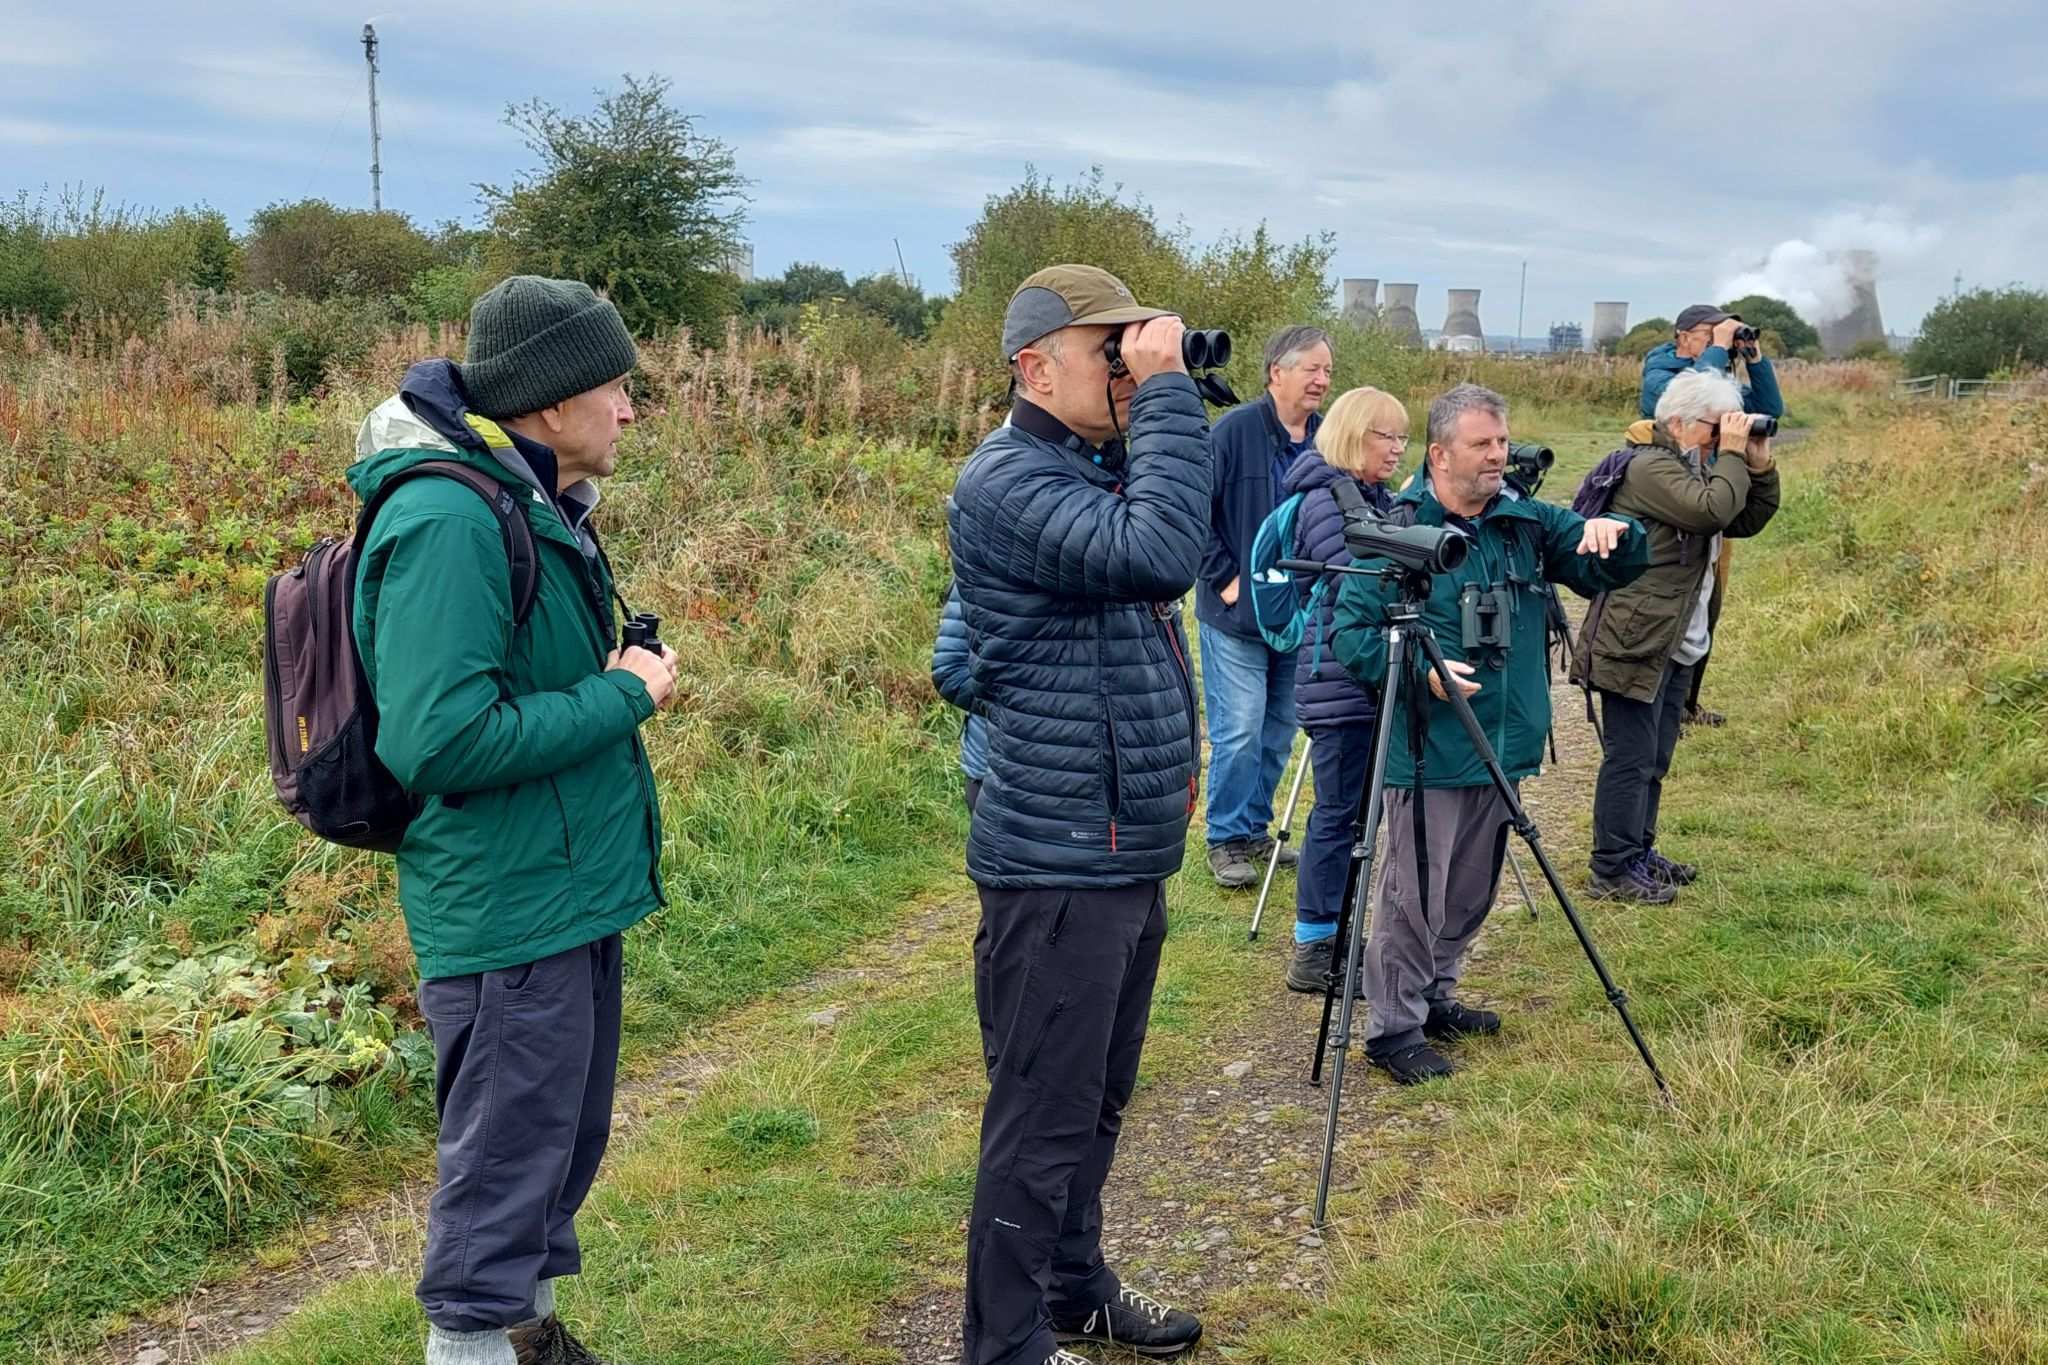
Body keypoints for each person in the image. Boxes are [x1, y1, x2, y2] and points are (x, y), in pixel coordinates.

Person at [348, 276, 677, 1365]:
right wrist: (625, 692)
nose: (630, 410)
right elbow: (439, 742)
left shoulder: (523, 498)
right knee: (497, 1183)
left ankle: (531, 1340)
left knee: (550, 1153)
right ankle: (480, 1348)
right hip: (507, 908)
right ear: (546, 402)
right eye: (615, 387)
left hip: (564, 890)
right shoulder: (449, 516)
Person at [947, 264, 1211, 1365]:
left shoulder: (1089, 473)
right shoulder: (1007, 478)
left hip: (1115, 841)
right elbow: (1161, 552)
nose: (1123, 369)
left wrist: (1157, 413)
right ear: (1031, 364)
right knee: (1039, 1119)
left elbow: (1183, 538)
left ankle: (1072, 1285)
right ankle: (1001, 1347)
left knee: (1095, 1099)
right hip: (1057, 855)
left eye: (1130, 350)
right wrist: (1163, 402)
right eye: (1106, 351)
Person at [1328, 384, 1650, 1086]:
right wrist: (1425, 672)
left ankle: (1438, 994)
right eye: (1482, 444)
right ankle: (1394, 1028)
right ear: (1440, 454)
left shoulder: (1525, 522)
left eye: (1502, 443)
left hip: (1504, 744)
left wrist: (1619, 535)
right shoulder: (1399, 529)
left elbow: (1608, 567)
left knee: (1470, 889)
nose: (1498, 456)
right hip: (1431, 749)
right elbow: (1350, 634)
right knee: (1415, 893)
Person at [1573, 369, 1780, 903]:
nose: (1722, 438)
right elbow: (1709, 508)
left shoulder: (1691, 465)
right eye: (1716, 428)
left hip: (1670, 636)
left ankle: (1638, 852)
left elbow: (1739, 519)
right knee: (1631, 757)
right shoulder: (1651, 467)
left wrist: (1757, 464)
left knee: (1656, 756)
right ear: (1680, 422)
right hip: (1635, 634)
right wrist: (1732, 458)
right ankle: (1612, 869)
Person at [1276, 386, 1405, 993]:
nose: (1399, 449)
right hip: (1339, 683)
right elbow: (1364, 572)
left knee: (1358, 814)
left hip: (1357, 680)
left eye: (1404, 437)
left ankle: (1343, 934)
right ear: (1356, 435)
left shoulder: (1370, 497)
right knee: (1337, 818)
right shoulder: (1326, 500)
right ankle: (1314, 947)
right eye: (1388, 436)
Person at [1195, 325, 1334, 887]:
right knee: (1240, 729)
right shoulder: (1232, 432)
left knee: (1279, 729)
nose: (1323, 380)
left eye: (1328, 371)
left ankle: (1254, 829)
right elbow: (1189, 509)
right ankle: (1225, 838)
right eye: (1312, 369)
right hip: (1236, 612)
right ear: (1277, 371)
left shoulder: (1329, 438)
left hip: (1297, 612)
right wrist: (1226, 578)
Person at [1639, 302, 1785, 727]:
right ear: (1682, 336)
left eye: (1722, 333)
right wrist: (1720, 349)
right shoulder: (1661, 369)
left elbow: (1771, 410)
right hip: (1669, 491)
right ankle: (1659, 702)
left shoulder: (1721, 370)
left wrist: (1754, 358)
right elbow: (1671, 400)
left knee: (1709, 600)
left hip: (1718, 485)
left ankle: (1685, 704)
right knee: (1672, 596)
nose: (1717, 340)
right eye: (1708, 332)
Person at [933, 581, 990, 812]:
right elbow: (951, 673)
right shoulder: (980, 565)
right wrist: (1018, 706)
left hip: (1088, 776)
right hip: (991, 767)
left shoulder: (1104, 565)